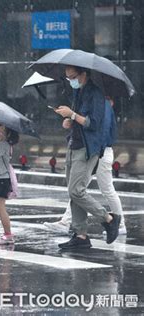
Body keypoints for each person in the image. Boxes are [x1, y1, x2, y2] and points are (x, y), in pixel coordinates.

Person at [54, 65, 121, 250]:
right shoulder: (78, 92)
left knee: (77, 190)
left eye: (73, 77)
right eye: (68, 78)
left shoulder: (96, 94)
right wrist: (69, 121)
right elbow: (78, 121)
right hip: (73, 145)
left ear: (84, 74)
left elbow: (94, 123)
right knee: (72, 192)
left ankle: (108, 218)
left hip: (87, 148)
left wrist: (73, 115)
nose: (71, 81)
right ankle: (81, 235)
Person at [44, 97, 126, 235]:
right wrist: (71, 122)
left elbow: (99, 130)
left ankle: (119, 223)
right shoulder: (93, 104)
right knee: (78, 190)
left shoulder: (102, 106)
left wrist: (74, 117)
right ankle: (66, 222)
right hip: (91, 151)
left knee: (102, 190)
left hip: (99, 151)